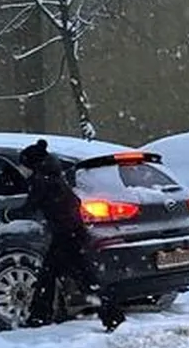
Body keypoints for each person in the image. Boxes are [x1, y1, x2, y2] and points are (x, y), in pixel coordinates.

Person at [19, 138, 122, 330]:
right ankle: (39, 316)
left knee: (84, 279)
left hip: (66, 236)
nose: (21, 170)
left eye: (23, 165)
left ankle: (112, 316)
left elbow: (29, 207)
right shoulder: (56, 176)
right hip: (71, 234)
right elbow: (74, 201)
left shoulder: (42, 181)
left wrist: (8, 214)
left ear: (31, 164)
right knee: (52, 275)